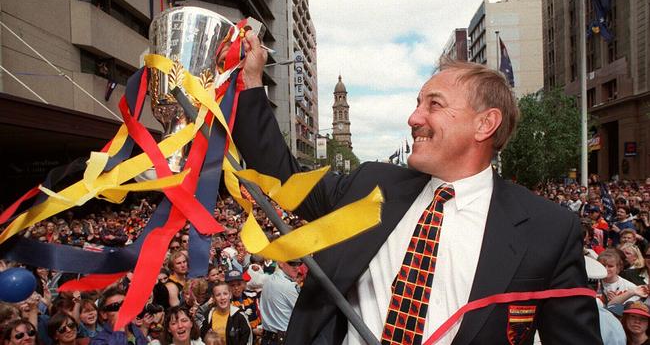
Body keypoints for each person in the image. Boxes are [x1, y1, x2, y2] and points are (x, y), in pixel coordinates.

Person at [235, 32, 602, 344]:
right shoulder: (369, 185)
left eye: (434, 105)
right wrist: (251, 82)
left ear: (485, 124)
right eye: (417, 104)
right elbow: (282, 176)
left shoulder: (546, 230)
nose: (413, 118)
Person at [258, 261, 301, 345]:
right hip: (283, 339)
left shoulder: (268, 279)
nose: (296, 267)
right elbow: (304, 312)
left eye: (299, 264)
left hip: (267, 338)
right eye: (292, 263)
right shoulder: (288, 286)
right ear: (281, 263)